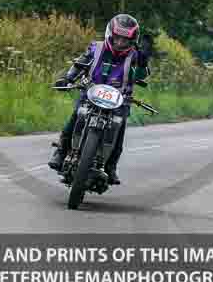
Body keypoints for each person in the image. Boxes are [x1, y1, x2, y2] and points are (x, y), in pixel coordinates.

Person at [48, 14, 152, 185]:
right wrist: (68, 78)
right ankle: (61, 150)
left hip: (119, 99)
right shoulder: (96, 47)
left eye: (125, 40)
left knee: (119, 129)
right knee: (76, 116)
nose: (120, 43)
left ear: (132, 41)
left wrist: (143, 62)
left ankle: (110, 166)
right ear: (110, 34)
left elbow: (142, 75)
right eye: (117, 38)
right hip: (90, 92)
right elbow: (80, 63)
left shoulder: (134, 56)